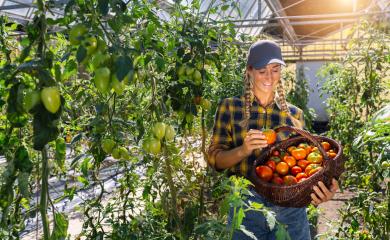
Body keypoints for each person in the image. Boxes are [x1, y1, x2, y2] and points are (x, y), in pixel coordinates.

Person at [207, 40, 339, 240]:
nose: (269, 77)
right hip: (246, 206)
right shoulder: (230, 108)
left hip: (290, 210)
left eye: (275, 69)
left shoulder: (295, 115)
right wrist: (243, 150)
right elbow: (215, 161)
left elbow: (305, 166)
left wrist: (324, 189)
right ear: (249, 71)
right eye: (262, 70)